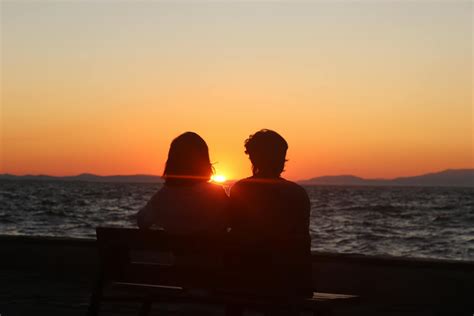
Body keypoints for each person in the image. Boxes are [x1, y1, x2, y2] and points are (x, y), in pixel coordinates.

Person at [229, 129, 312, 298]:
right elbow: (302, 239)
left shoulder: (240, 189)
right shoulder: (296, 192)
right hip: (287, 279)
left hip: (243, 277)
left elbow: (235, 230)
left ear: (253, 158)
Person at [137, 132, 229, 234]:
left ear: (172, 162)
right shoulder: (216, 194)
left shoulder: (163, 197)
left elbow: (142, 221)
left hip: (177, 249)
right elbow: (234, 220)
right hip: (211, 249)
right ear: (204, 161)